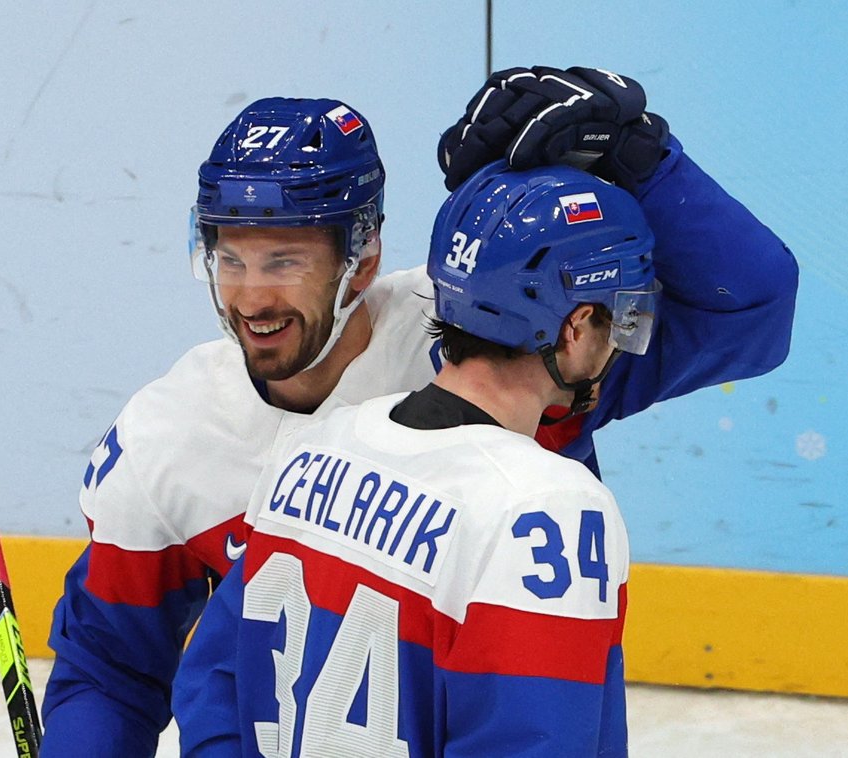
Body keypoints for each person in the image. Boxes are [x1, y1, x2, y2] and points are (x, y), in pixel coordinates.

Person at [42, 67, 798, 756]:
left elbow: (751, 312)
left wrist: (647, 163)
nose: (251, 296)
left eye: (285, 261)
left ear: (361, 259)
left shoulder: (485, 332)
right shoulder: (167, 435)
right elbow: (110, 668)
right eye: (232, 259)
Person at [173, 162, 653, 756]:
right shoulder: (547, 507)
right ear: (576, 327)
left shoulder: (313, 451)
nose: (620, 344)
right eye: (617, 319)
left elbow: (212, 680)